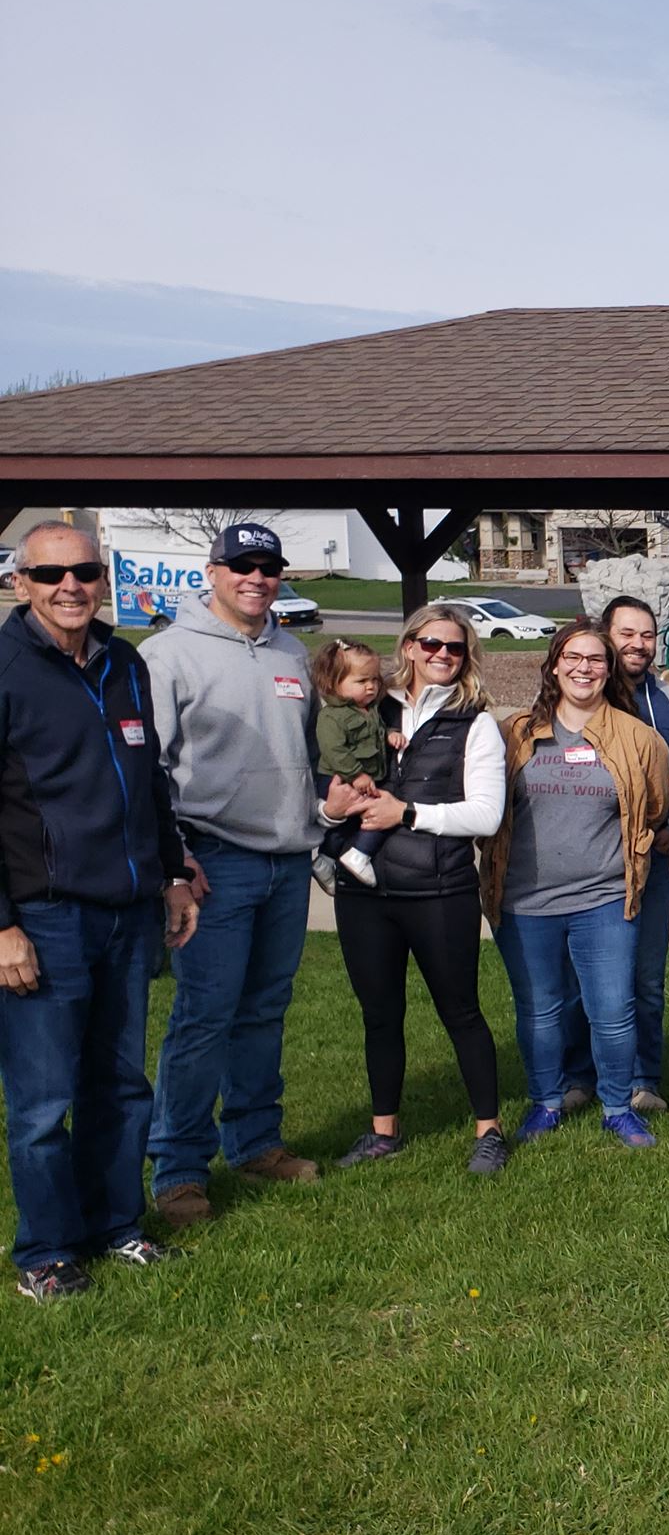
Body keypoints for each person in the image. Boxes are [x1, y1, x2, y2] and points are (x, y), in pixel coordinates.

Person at [0, 523, 198, 1300]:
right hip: (43, 916)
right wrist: (4, 926)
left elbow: (150, 781)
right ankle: (45, 1253)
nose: (71, 585)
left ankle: (117, 1227)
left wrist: (172, 875)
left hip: (128, 909)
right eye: (52, 574)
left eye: (85, 570)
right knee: (45, 1100)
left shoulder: (124, 663)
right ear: (22, 582)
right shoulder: (8, 667)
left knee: (119, 1085)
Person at [142, 521, 326, 1228]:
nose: (257, 577)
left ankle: (255, 1143)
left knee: (263, 1011)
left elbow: (308, 751)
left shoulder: (290, 650)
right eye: (242, 565)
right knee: (203, 1019)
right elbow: (148, 769)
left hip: (286, 860)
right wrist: (175, 863)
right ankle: (180, 1171)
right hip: (212, 862)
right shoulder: (167, 657)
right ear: (212, 572)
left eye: (268, 566)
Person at [322, 604, 510, 1175]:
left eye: (454, 648)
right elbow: (325, 792)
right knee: (379, 1015)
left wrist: (407, 814)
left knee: (461, 1012)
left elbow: (486, 814)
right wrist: (330, 816)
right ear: (408, 646)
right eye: (431, 644)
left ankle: (489, 1131)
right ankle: (384, 1132)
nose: (442, 656)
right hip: (364, 894)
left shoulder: (474, 721)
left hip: (439, 891)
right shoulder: (364, 706)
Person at [483, 621, 669, 1150]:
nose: (584, 667)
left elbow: (655, 808)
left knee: (612, 1010)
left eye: (595, 659)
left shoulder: (639, 738)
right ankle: (546, 1100)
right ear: (554, 664)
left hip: (606, 899)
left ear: (609, 670)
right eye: (573, 656)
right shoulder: (514, 732)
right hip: (524, 900)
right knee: (540, 1011)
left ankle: (617, 1106)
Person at [563, 593, 669, 1116]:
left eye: (647, 635)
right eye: (627, 634)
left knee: (646, 979)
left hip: (653, 861)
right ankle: (580, 1076)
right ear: (606, 635)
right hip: (591, 865)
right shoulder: (581, 702)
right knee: (585, 977)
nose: (638, 645)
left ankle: (644, 1079)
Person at [310, 639, 396, 887]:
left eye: (375, 680)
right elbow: (334, 750)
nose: (371, 687)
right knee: (377, 813)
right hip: (340, 779)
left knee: (347, 825)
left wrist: (389, 734)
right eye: (361, 681)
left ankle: (326, 859)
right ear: (333, 683)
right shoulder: (332, 716)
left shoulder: (369, 710)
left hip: (362, 777)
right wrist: (356, 775)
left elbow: (373, 734)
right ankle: (359, 855)